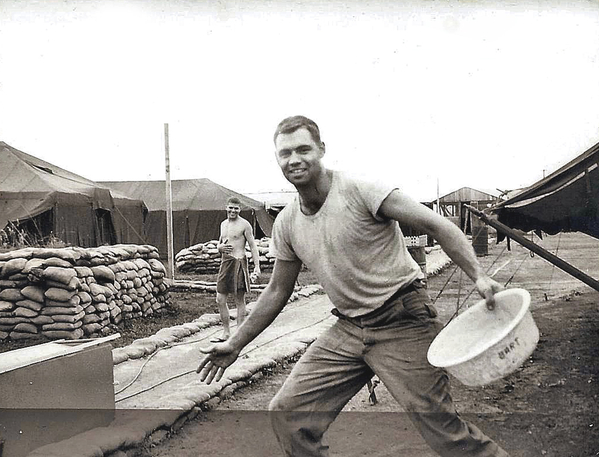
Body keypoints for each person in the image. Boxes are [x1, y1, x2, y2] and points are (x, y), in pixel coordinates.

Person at [198, 115, 509, 457]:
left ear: (321, 149)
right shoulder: (287, 223)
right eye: (285, 153)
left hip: (402, 320)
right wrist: (234, 344)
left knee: (446, 435)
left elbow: (439, 226)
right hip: (348, 328)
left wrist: (478, 275)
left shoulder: (361, 191)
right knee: (289, 415)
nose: (294, 159)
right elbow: (276, 291)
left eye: (303, 149)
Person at [211, 196, 261, 342]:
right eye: (231, 207)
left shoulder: (245, 225)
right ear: (226, 207)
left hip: (238, 262)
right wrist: (218, 248)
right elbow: (220, 244)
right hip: (225, 263)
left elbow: (252, 246)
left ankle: (239, 334)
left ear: (240, 209)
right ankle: (226, 332)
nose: (233, 210)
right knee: (220, 299)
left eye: (236, 208)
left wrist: (256, 267)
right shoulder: (223, 224)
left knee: (239, 299)